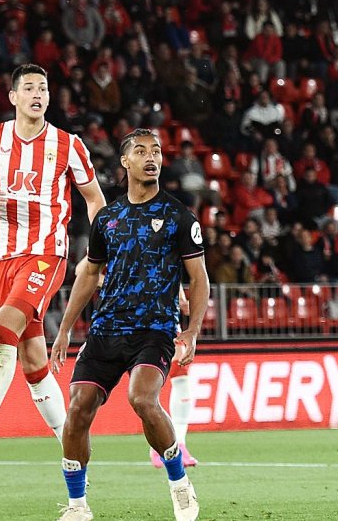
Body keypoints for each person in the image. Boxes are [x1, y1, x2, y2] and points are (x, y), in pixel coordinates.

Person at [0, 64, 106, 459]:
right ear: (13, 97)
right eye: (29, 88)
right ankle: (74, 450)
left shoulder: (68, 144)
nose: (37, 94)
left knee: (2, 327)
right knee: (33, 361)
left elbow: (95, 199)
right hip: (2, 257)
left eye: (43, 88)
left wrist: (99, 251)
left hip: (46, 253)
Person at [50, 129, 206, 520]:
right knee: (77, 409)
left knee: (142, 399)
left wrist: (191, 330)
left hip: (154, 330)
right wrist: (65, 329)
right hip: (106, 330)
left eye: (156, 151)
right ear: (125, 162)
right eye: (141, 151)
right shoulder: (108, 218)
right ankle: (77, 505)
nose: (151, 157)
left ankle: (179, 484)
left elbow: (199, 278)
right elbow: (89, 274)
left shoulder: (178, 216)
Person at [151, 289, 199, 468]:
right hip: (133, 318)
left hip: (165, 314)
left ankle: (179, 443)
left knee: (180, 371)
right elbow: (83, 274)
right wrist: (115, 286)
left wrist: (181, 297)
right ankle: (158, 445)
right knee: (148, 381)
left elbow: (171, 272)